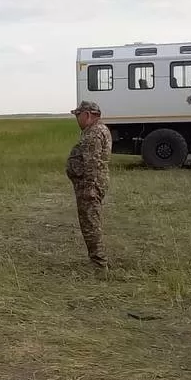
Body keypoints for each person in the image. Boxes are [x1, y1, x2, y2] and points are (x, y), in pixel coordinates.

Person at [66, 101, 112, 272]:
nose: (77, 118)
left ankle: (99, 265)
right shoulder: (98, 130)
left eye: (78, 115)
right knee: (92, 222)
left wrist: (89, 188)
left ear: (87, 114)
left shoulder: (94, 133)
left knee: (90, 224)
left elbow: (91, 162)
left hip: (89, 185)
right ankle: (98, 260)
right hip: (92, 183)